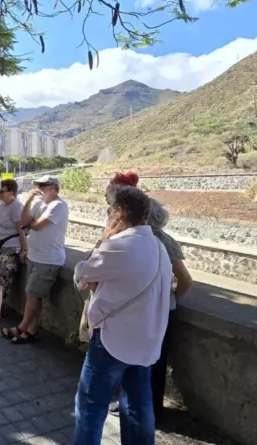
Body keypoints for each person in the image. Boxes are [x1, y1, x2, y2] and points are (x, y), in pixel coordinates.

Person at [72, 185, 173, 445]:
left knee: (90, 406)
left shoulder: (119, 244)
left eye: (111, 210)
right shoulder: (159, 247)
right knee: (138, 407)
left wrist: (104, 239)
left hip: (112, 340)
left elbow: (82, 275)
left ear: (119, 211)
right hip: (146, 342)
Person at [108, 172, 194, 419]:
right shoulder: (167, 240)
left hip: (146, 310)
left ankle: (134, 409)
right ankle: (150, 410)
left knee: (135, 361)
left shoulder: (140, 240)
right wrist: (171, 299)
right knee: (156, 362)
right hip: (164, 309)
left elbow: (185, 280)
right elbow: (186, 282)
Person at [2, 175, 69, 344]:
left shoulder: (59, 205)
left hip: (48, 259)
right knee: (33, 296)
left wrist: (29, 223)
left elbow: (37, 225)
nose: (39, 188)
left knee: (32, 295)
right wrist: (29, 200)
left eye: (42, 185)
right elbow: (22, 222)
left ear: (53, 188)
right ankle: (31, 331)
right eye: (38, 185)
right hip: (35, 255)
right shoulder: (39, 203)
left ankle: (21, 328)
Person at [0, 179, 28, 307]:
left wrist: (24, 249)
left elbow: (21, 229)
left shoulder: (16, 206)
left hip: (10, 246)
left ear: (11, 192)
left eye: (2, 191)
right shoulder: (2, 205)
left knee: (4, 278)